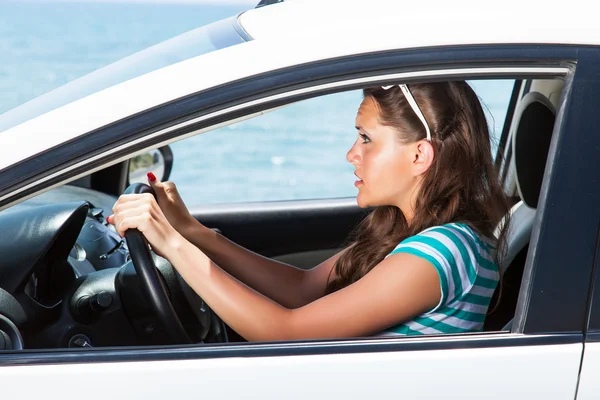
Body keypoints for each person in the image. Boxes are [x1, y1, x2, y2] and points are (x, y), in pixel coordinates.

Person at [107, 81, 511, 341]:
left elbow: (285, 332)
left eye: (366, 139)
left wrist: (173, 244)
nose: (351, 154)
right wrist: (194, 233)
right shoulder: (407, 229)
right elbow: (302, 289)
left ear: (420, 154)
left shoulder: (443, 251)